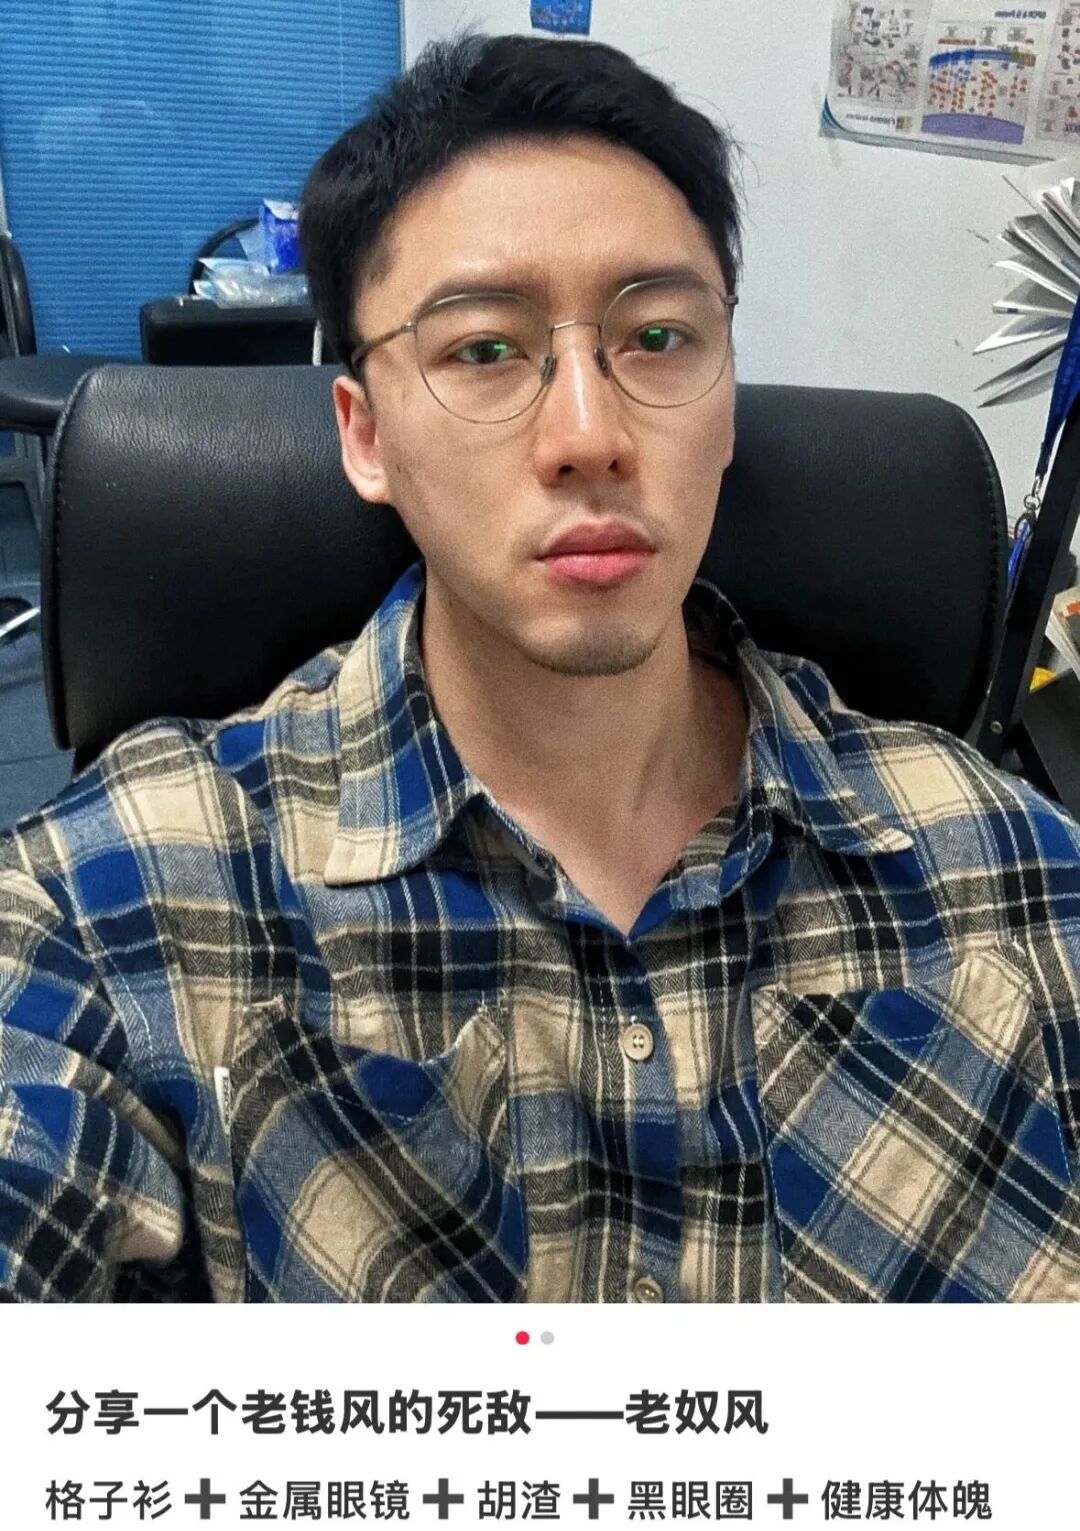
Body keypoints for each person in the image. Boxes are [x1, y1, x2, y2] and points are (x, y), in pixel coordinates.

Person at [2, 30, 1080, 1305]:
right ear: (366, 434)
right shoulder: (122, 900)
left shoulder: (1010, 869)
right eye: (484, 349)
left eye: (660, 335)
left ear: (728, 397)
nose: (589, 434)